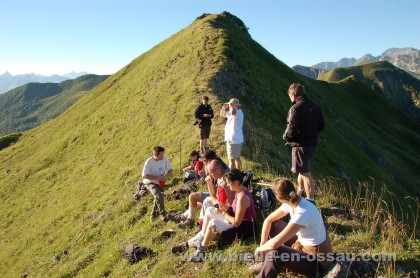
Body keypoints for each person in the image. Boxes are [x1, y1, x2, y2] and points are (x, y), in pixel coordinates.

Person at [251, 178, 332, 277]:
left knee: (277, 253)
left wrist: (260, 248)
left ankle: (267, 269)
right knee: (274, 225)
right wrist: (263, 244)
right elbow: (269, 220)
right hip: (303, 245)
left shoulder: (303, 212)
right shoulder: (292, 202)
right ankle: (266, 263)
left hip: (317, 262)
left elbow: (274, 244)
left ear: (278, 198)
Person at [172, 169, 256, 262]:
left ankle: (201, 252)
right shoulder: (239, 190)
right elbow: (235, 209)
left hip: (243, 228)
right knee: (209, 210)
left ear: (236, 182)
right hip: (235, 220)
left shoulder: (242, 198)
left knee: (213, 223)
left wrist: (223, 213)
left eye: (228, 183)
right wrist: (226, 208)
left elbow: (237, 222)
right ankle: (202, 238)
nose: (227, 185)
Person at [283, 83, 324, 204]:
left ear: (294, 95)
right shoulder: (315, 106)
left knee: (305, 173)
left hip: (301, 144)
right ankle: (300, 191)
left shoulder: (295, 108)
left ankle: (310, 199)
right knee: (301, 169)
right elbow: (321, 126)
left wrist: (286, 137)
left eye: (290, 96)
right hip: (312, 143)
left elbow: (292, 128)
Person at [176, 158, 233, 229]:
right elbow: (214, 194)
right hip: (223, 205)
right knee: (204, 200)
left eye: (210, 172)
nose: (210, 174)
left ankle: (201, 225)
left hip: (227, 211)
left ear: (217, 170)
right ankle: (194, 221)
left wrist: (212, 196)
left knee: (205, 201)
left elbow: (218, 203)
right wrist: (209, 183)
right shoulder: (219, 177)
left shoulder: (223, 182)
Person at [142, 146, 173, 221]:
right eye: (161, 155)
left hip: (160, 182)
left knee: (158, 198)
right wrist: (156, 178)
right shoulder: (149, 162)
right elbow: (144, 176)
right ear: (156, 155)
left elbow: (170, 170)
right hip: (150, 182)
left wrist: (166, 177)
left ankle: (153, 217)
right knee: (159, 196)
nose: (163, 156)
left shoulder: (164, 159)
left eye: (163, 154)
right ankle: (163, 215)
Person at [220, 98, 244, 170]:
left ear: (235, 105)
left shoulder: (238, 112)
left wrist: (231, 106)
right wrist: (223, 108)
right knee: (237, 158)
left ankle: (231, 177)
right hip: (237, 139)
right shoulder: (235, 112)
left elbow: (233, 112)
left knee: (231, 160)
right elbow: (222, 115)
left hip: (233, 139)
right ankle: (238, 174)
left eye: (231, 105)